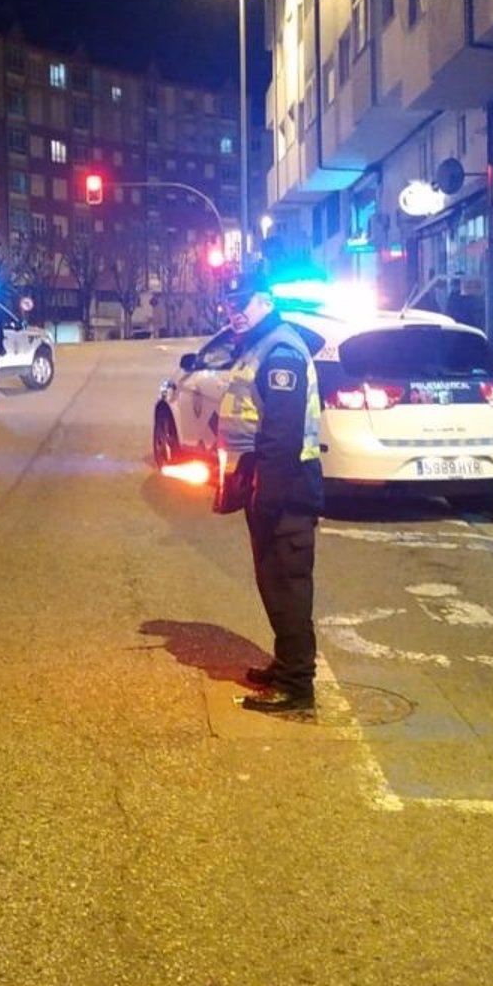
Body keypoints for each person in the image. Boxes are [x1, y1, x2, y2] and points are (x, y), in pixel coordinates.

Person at [214, 266, 325, 713]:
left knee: (288, 585)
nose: (234, 311)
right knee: (272, 582)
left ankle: (297, 687)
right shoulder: (260, 344)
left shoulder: (281, 352)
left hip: (286, 488)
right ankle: (285, 664)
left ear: (265, 301)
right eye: (228, 304)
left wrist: (267, 499)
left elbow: (283, 436)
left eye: (241, 303)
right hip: (267, 484)